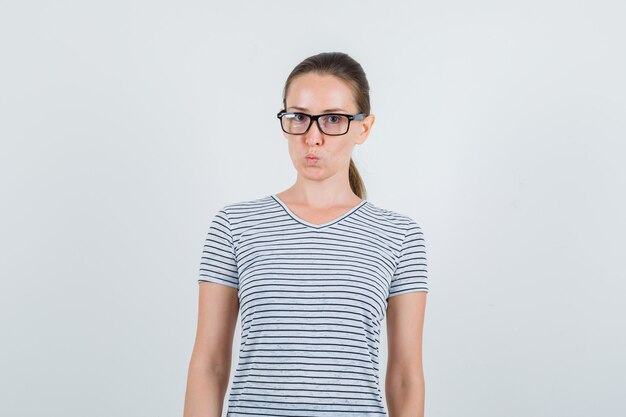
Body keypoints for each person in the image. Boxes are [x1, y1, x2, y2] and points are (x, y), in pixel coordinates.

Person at [183, 51, 429, 417]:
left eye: (333, 119)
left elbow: (405, 377)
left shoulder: (399, 236)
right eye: (299, 117)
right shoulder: (234, 226)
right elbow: (209, 365)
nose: (312, 137)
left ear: (364, 127)